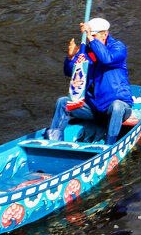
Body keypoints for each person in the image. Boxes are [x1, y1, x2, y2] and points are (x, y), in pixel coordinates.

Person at [46, 17, 133, 145]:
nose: (88, 38)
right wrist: (70, 58)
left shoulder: (118, 48)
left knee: (116, 106)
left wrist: (91, 40)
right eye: (87, 36)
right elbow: (70, 72)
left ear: (105, 35)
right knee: (63, 102)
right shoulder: (86, 52)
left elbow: (107, 59)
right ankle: (54, 141)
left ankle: (110, 144)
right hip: (94, 108)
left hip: (117, 109)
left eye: (92, 35)